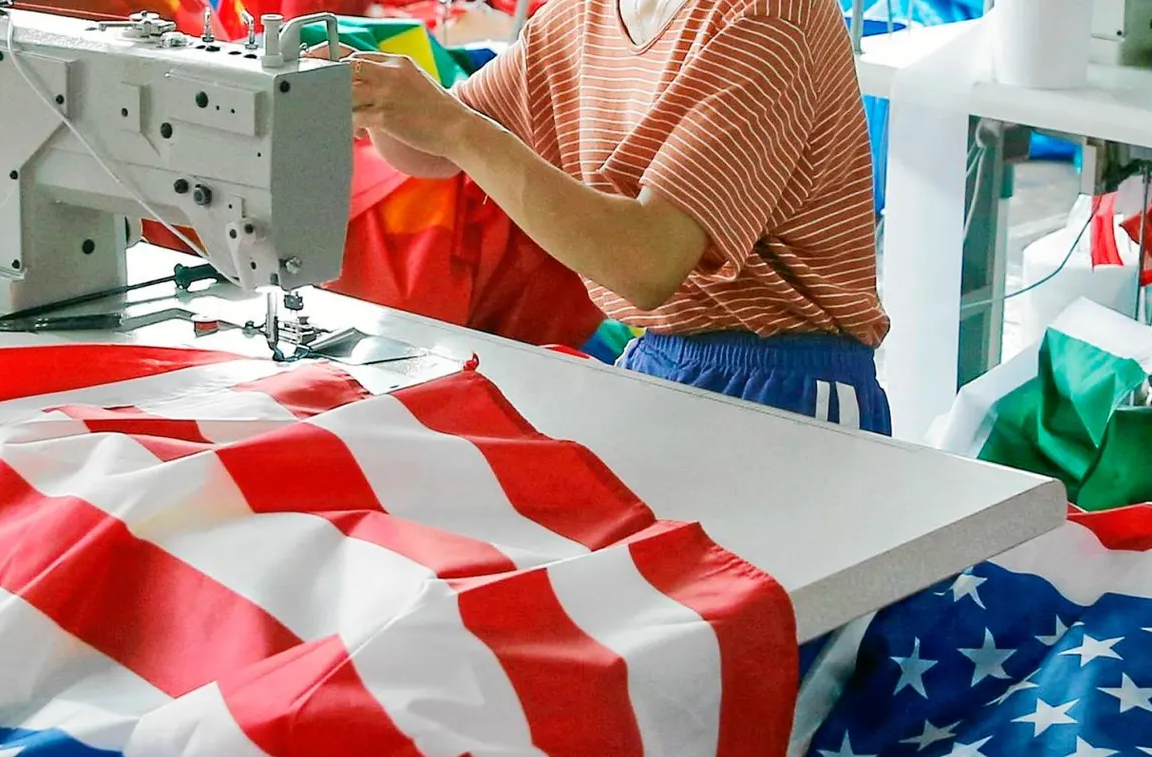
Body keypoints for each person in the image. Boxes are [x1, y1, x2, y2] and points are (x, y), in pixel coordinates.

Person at [336, 0, 893, 433]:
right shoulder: (586, 14)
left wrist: (454, 127)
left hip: (791, 382)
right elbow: (433, 154)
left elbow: (647, 263)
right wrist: (375, 98)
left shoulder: (768, 18)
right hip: (662, 357)